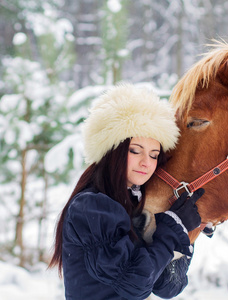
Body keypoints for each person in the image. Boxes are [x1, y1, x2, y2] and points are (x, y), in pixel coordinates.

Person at [48, 84, 205, 300]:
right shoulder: (91, 206)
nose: (146, 162)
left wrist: (187, 231)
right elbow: (133, 283)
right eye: (135, 150)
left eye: (153, 154)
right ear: (113, 150)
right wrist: (170, 228)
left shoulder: (135, 206)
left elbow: (168, 286)